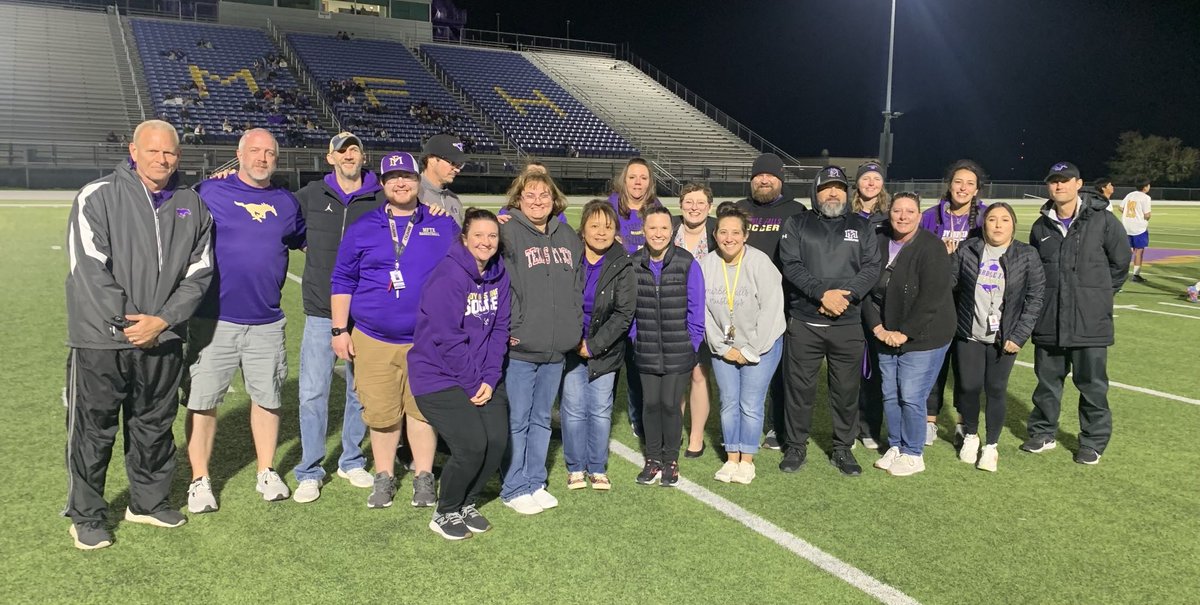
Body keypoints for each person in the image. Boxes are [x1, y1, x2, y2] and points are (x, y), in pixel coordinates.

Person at [63, 120, 213, 549]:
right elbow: (90, 269)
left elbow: (200, 274)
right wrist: (134, 323)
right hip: (101, 341)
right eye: (153, 151)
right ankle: (86, 515)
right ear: (133, 150)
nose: (162, 159)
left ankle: (146, 503)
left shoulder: (192, 205)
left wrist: (162, 321)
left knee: (154, 426)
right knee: (93, 431)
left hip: (163, 339)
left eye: (169, 153)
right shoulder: (99, 195)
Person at [184, 129, 304, 514]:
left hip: (266, 320)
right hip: (213, 319)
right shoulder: (208, 192)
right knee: (203, 402)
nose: (262, 158)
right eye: (254, 150)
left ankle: (266, 470)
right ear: (239, 154)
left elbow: (307, 241)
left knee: (267, 399)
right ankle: (199, 479)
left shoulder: (286, 202)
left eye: (269, 152)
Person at [329, 152, 458, 508]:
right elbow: (343, 279)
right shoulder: (363, 227)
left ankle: (423, 476)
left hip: (426, 340)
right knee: (382, 414)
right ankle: (384, 476)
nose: (400, 183)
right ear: (383, 184)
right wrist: (340, 329)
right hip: (373, 338)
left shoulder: (442, 224)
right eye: (393, 178)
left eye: (407, 177)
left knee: (421, 412)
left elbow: (465, 267)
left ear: (419, 181)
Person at [409, 208, 510, 539]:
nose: (486, 242)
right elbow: (447, 338)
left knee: (495, 442)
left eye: (492, 235)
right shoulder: (450, 275)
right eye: (478, 235)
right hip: (438, 376)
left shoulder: (499, 273)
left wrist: (490, 377)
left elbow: (500, 329)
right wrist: (471, 383)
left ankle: (467, 501)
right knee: (471, 445)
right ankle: (445, 510)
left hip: (481, 375)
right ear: (465, 238)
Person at [292, 132, 382, 503]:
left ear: (363, 157)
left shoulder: (379, 197)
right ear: (330, 158)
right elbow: (283, 225)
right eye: (342, 151)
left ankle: (351, 459)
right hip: (319, 310)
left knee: (358, 392)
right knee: (313, 392)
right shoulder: (310, 195)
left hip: (364, 312)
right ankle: (310, 470)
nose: (349, 156)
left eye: (355, 150)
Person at [1022, 162, 1130, 465]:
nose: (1059, 186)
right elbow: (1035, 273)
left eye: (1065, 180)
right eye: (1053, 181)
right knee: (1047, 383)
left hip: (1089, 321)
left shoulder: (1104, 221)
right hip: (1050, 320)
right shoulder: (1040, 226)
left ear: (1078, 183)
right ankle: (1043, 432)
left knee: (1093, 386)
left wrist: (1098, 296)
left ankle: (1092, 442)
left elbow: (1120, 264)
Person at [776, 166, 880, 476]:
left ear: (847, 194)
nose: (832, 193)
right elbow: (791, 265)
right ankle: (795, 446)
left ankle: (843, 449)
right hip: (805, 322)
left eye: (839, 188)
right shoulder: (797, 223)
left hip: (847, 324)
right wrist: (823, 294)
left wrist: (843, 298)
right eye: (826, 188)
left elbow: (872, 267)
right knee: (799, 388)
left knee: (846, 390)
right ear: (815, 192)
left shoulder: (861, 227)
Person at [498, 172, 583, 514]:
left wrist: (573, 323)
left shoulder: (567, 235)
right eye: (530, 195)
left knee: (542, 418)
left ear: (554, 200)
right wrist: (512, 324)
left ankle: (535, 480)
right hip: (520, 343)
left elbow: (577, 284)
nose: (537, 201)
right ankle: (513, 485)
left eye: (544, 195)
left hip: (556, 345)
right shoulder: (507, 230)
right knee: (518, 418)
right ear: (518, 199)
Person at [864, 192, 955, 477]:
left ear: (919, 215)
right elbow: (865, 289)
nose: (903, 216)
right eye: (897, 211)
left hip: (925, 336)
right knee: (890, 393)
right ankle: (896, 444)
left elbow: (932, 297)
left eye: (910, 211)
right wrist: (878, 327)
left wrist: (905, 333)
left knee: (912, 395)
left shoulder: (931, 247)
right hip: (886, 333)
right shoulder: (878, 243)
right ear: (889, 213)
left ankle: (914, 452)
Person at [949, 202, 1045, 472]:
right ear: (984, 224)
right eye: (992, 219)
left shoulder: (1027, 255)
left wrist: (1019, 334)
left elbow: (1035, 298)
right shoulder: (968, 250)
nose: (998, 225)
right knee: (968, 386)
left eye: (1004, 219)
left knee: (995, 389)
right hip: (970, 333)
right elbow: (950, 283)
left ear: (1013, 224)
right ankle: (970, 434)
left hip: (1006, 337)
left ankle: (991, 445)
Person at [701, 203, 785, 484]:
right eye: (723, 232)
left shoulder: (760, 263)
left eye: (735, 232)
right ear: (715, 235)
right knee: (728, 403)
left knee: (750, 403)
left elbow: (772, 311)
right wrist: (725, 349)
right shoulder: (706, 265)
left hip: (761, 346)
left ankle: (746, 460)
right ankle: (731, 458)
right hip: (723, 347)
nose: (729, 238)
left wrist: (749, 350)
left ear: (745, 235)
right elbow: (701, 313)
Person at [560, 200, 636, 491]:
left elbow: (624, 313)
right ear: (583, 230)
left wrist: (593, 346)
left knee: (601, 410)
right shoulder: (570, 259)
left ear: (616, 230)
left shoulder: (623, 263)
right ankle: (576, 467)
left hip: (604, 349)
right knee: (574, 408)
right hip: (571, 347)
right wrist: (574, 342)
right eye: (594, 226)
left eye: (608, 226)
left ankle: (597, 467)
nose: (601, 232)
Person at [734, 153, 806, 450]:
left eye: (770, 176)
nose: (764, 180)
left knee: (779, 371)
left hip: (781, 305)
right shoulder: (739, 209)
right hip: (740, 305)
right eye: (758, 176)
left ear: (780, 180)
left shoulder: (797, 211)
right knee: (742, 367)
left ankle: (777, 425)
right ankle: (745, 420)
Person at [631, 206, 705, 487]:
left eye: (664, 228)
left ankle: (670, 460)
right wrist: (636, 337)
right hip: (647, 348)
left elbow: (697, 310)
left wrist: (691, 343)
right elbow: (630, 309)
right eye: (653, 228)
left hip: (679, 350)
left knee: (670, 405)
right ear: (644, 231)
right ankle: (652, 459)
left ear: (671, 231)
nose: (658, 234)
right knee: (650, 404)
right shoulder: (634, 263)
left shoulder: (687, 263)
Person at [918, 159, 989, 447]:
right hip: (936, 299)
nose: (963, 187)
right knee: (934, 363)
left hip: (971, 302)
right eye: (958, 181)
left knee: (966, 365)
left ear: (977, 190)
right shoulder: (930, 216)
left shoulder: (985, 216)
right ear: (949, 184)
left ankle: (963, 423)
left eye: (970, 183)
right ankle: (929, 421)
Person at [607, 157, 662, 439]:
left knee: (639, 362)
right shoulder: (610, 207)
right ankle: (601, 416)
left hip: (646, 297)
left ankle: (638, 416)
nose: (638, 183)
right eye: (632, 177)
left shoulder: (657, 209)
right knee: (610, 361)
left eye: (643, 178)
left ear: (650, 182)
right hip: (614, 296)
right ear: (623, 180)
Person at [671, 182, 717, 457]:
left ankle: (696, 436)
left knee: (698, 374)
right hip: (672, 313)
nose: (694, 208)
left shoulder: (716, 233)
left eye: (700, 203)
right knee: (676, 375)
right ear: (681, 205)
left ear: (709, 207)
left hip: (705, 314)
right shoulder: (670, 229)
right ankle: (674, 429)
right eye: (689, 202)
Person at [851, 160, 890, 450]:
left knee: (875, 367)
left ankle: (869, 427)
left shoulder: (890, 217)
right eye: (866, 178)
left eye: (876, 178)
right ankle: (848, 426)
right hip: (850, 298)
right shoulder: (846, 215)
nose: (871, 183)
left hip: (878, 300)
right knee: (849, 368)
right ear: (858, 183)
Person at [419, 133, 466, 225]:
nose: (457, 170)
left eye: (459, 164)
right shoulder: (411, 194)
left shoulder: (454, 200)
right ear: (431, 160)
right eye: (452, 163)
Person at [1119, 180, 1153, 283]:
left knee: (1126, 251)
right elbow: (1147, 214)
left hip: (1126, 226)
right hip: (1139, 228)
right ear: (1145, 187)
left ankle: (1121, 274)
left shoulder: (1130, 194)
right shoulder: (1146, 198)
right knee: (1139, 251)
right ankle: (1136, 274)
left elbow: (1120, 208)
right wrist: (1144, 218)